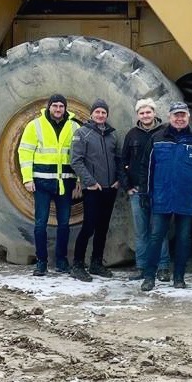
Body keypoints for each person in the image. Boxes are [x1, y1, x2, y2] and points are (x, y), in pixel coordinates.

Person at [140, 102, 192, 291]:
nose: (179, 118)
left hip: (186, 199)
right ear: (169, 117)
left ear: (188, 117)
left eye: (183, 115)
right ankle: (149, 277)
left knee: (183, 239)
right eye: (176, 115)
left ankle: (179, 277)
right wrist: (145, 193)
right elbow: (147, 168)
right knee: (156, 238)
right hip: (161, 198)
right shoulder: (157, 139)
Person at [18, 93, 79, 276]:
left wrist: (79, 180)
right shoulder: (35, 125)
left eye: (61, 106)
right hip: (42, 183)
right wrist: (27, 179)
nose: (58, 109)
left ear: (65, 108)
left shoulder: (74, 126)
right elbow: (25, 152)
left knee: (64, 224)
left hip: (65, 183)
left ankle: (61, 261)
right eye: (55, 106)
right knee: (40, 224)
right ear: (49, 107)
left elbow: (79, 156)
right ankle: (41, 262)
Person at [69, 99, 121, 282]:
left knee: (102, 228)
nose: (100, 115)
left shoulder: (112, 135)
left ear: (107, 115)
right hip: (92, 189)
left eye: (103, 112)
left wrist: (118, 180)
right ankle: (77, 264)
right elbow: (76, 161)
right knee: (88, 227)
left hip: (110, 188)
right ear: (91, 114)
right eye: (97, 112)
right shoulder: (82, 133)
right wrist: (89, 182)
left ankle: (96, 263)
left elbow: (118, 159)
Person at [119, 99, 170, 281]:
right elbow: (123, 161)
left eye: (148, 112)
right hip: (138, 190)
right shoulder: (132, 135)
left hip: (159, 190)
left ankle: (163, 267)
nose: (145, 115)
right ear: (138, 115)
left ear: (154, 113)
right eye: (142, 113)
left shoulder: (165, 133)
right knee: (141, 232)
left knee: (159, 230)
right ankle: (141, 267)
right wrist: (127, 186)